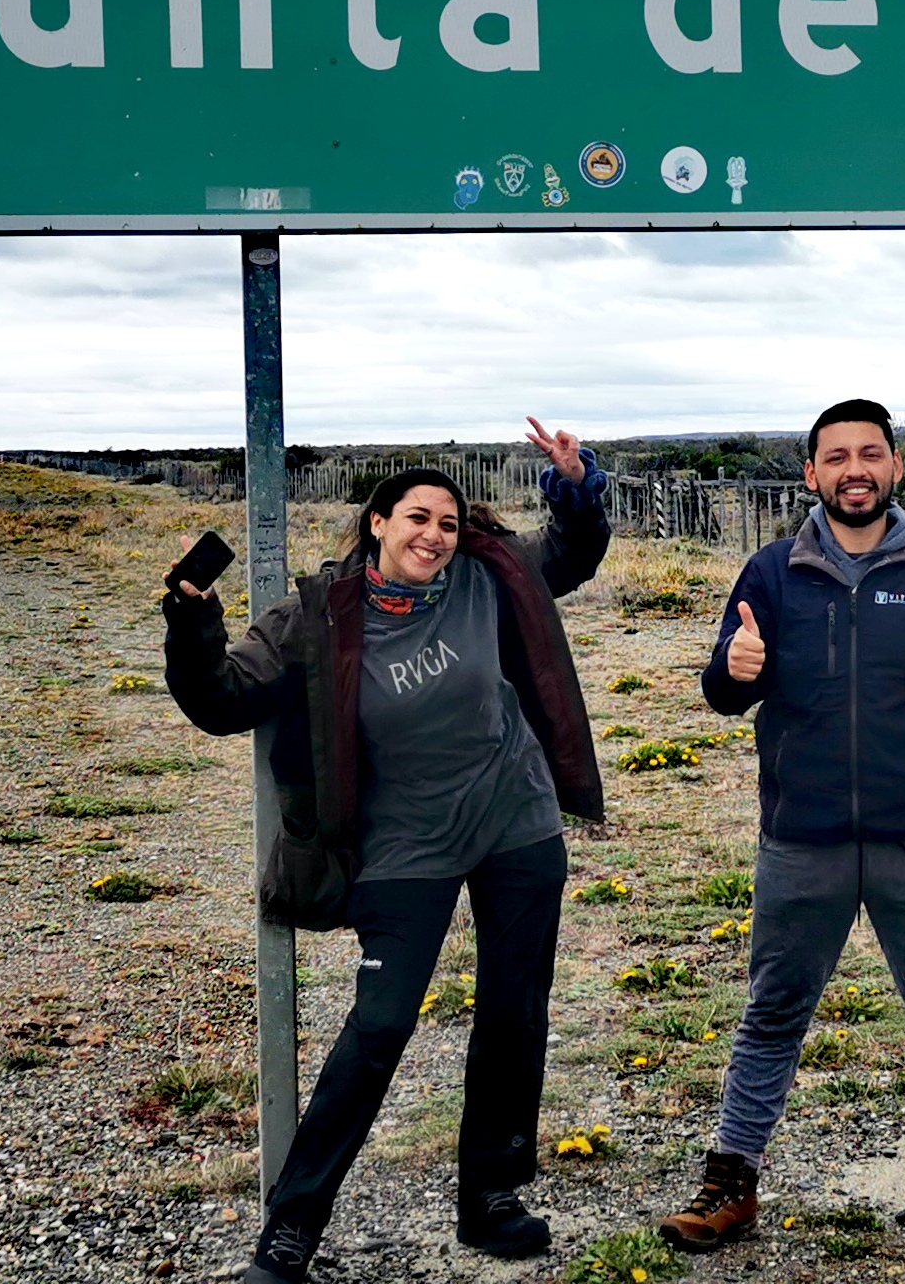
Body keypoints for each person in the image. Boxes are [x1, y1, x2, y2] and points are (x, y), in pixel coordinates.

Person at [162, 420, 609, 1282]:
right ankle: (291, 1229)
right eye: (416, 518)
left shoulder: (488, 575)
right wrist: (191, 618)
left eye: (447, 522)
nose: (433, 536)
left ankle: (490, 1197)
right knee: (379, 1027)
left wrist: (576, 486)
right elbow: (221, 700)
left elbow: (572, 553)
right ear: (377, 523)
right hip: (404, 848)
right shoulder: (319, 615)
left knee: (514, 1014)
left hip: (516, 825)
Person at [659, 399, 905, 1254]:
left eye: (870, 454)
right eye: (836, 456)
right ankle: (731, 1181)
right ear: (811, 474)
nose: (854, 470)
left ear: (894, 467)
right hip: (799, 836)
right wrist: (731, 668)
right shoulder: (771, 573)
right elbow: (723, 693)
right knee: (773, 1011)